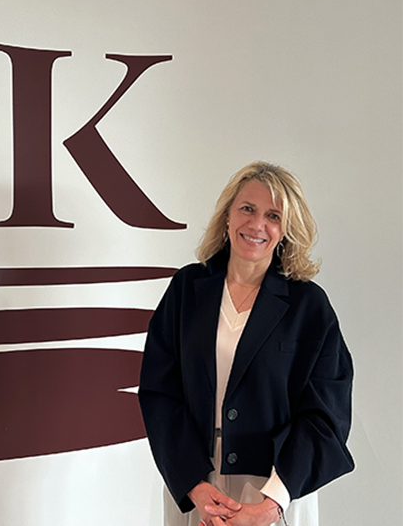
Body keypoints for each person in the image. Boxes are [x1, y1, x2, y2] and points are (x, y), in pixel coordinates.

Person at [138, 162, 354, 526]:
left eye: (273, 216)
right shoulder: (186, 290)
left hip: (277, 490)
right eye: (247, 209)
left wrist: (271, 505)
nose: (256, 225)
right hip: (197, 485)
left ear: (286, 229)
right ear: (227, 216)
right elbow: (160, 393)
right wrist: (194, 486)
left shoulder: (309, 306)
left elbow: (326, 414)